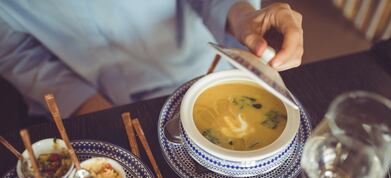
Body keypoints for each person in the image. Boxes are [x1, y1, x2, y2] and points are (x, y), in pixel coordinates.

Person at [0, 1, 303, 118]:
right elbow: (13, 48)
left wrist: (242, 15)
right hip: (79, 105)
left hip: (200, 71)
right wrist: (87, 105)